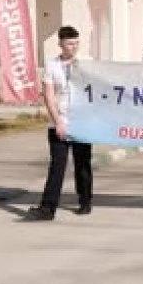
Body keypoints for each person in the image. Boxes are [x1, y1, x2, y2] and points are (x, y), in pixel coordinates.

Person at [26, 26, 92, 221]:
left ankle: (85, 200)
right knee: (57, 165)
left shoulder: (87, 63)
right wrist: (58, 123)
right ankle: (47, 208)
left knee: (82, 164)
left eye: (76, 43)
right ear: (61, 44)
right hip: (60, 119)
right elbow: (48, 95)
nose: (74, 47)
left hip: (82, 122)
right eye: (70, 43)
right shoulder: (52, 65)